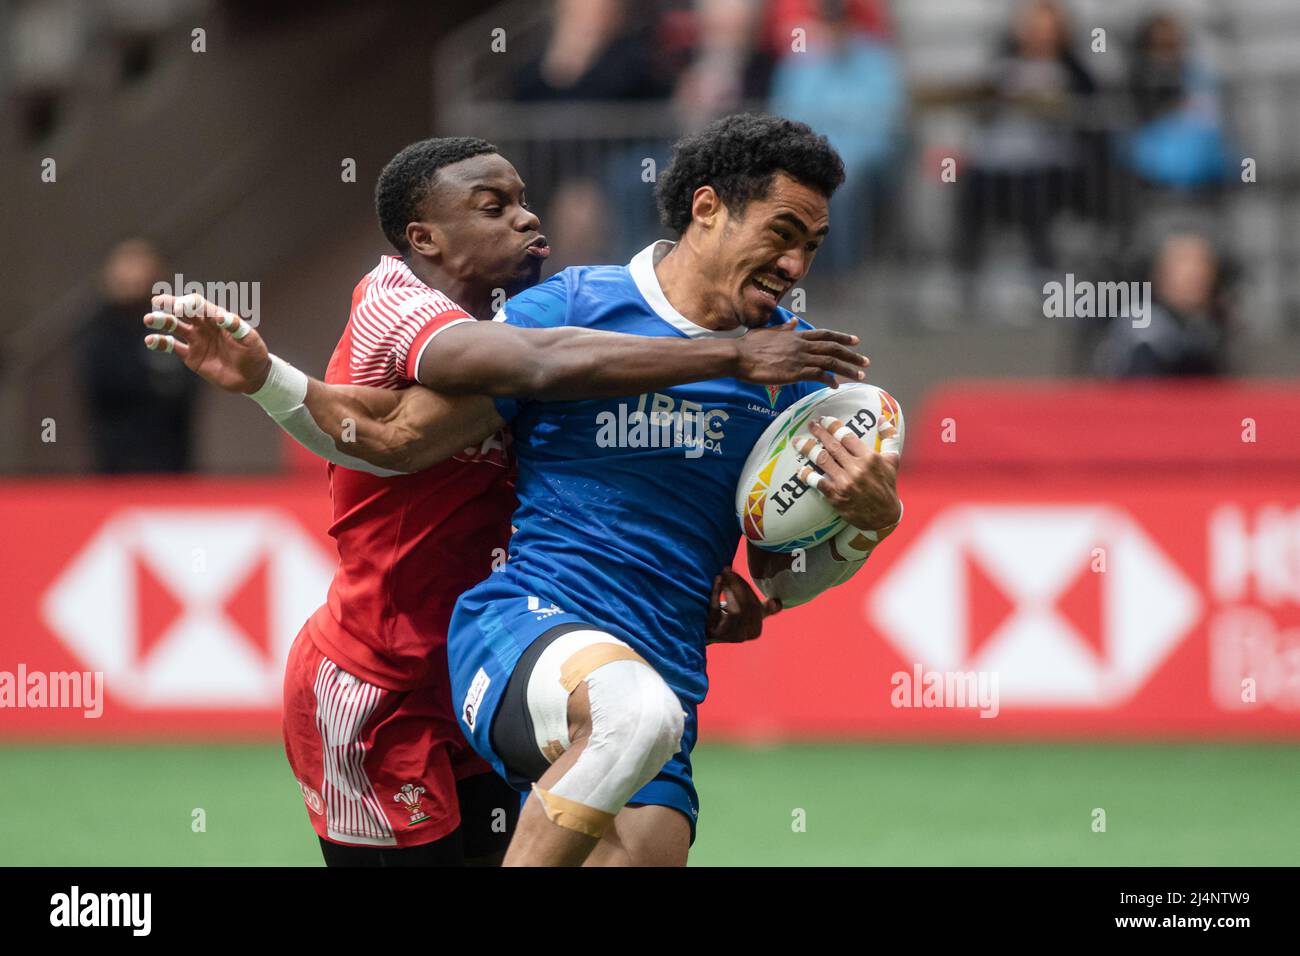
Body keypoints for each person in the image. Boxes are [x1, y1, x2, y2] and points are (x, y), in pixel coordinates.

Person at [164, 115, 902, 866]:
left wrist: (868, 523)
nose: (796, 263)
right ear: (708, 208)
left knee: (646, 776)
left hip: (663, 666)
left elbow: (779, 583)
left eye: (811, 244)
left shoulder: (792, 371)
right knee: (630, 717)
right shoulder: (568, 311)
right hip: (512, 638)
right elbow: (398, 435)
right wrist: (266, 380)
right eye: (781, 232)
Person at [83, 238, 197, 473]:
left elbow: (187, 384)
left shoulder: (172, 323)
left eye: (140, 262)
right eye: (126, 262)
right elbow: (101, 387)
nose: (133, 272)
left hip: (172, 463)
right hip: (115, 465)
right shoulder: (97, 330)